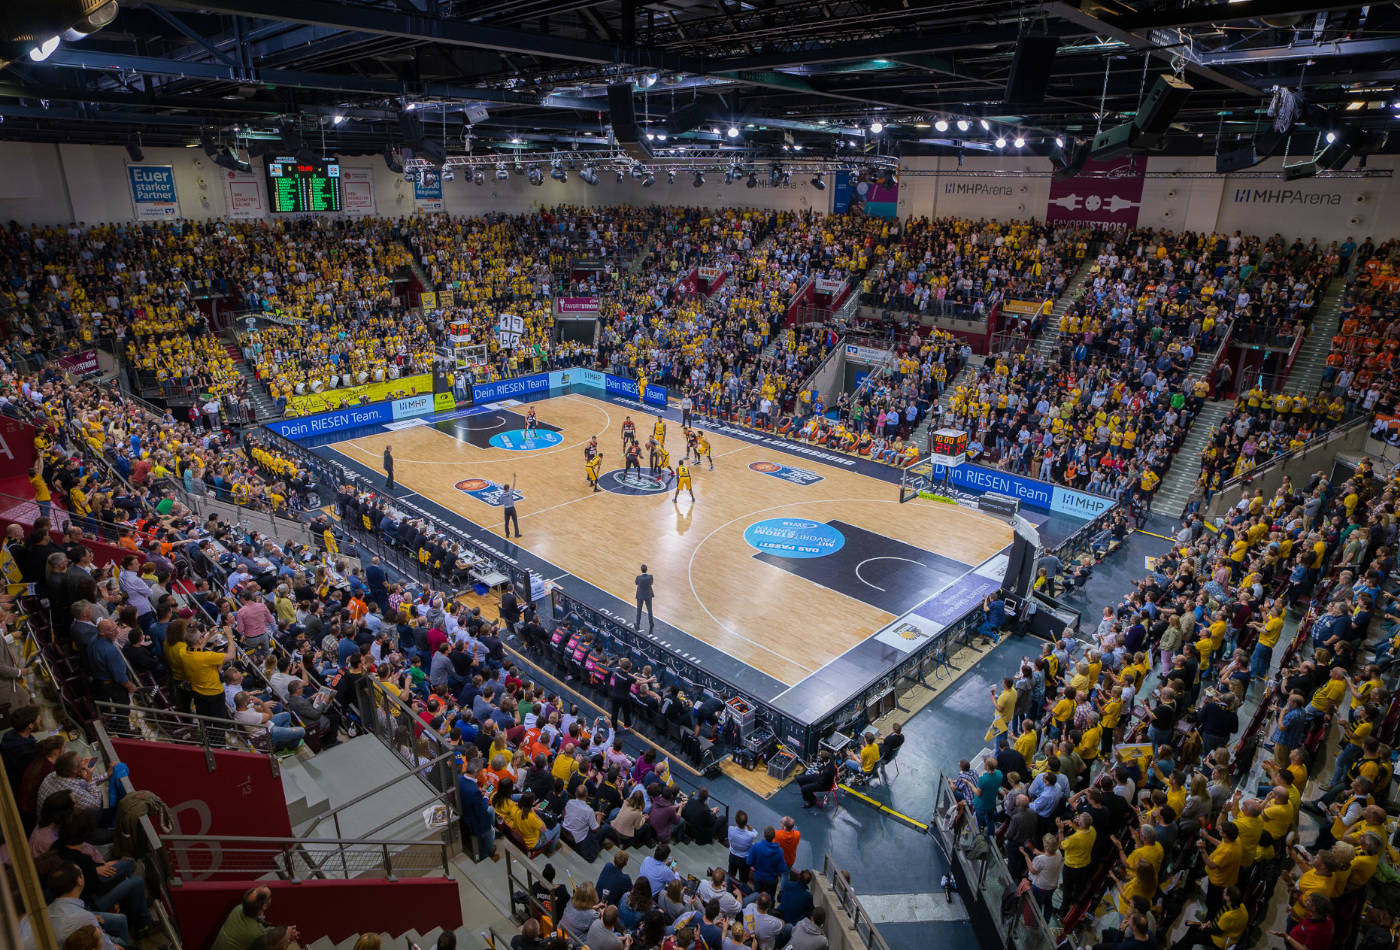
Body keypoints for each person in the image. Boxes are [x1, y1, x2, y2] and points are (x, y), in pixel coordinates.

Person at [635, 565, 654, 633]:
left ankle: (637, 625)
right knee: (650, 610)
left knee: (639, 611)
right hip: (648, 595)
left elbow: (636, 583)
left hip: (640, 596)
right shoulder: (650, 577)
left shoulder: (638, 578)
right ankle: (651, 624)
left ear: (641, 570)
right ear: (647, 569)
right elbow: (651, 583)